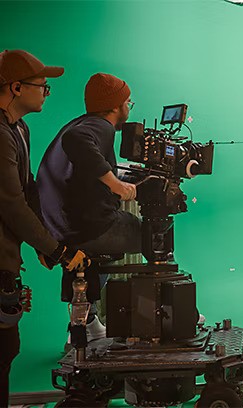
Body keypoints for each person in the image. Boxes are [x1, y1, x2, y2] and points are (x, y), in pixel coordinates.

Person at [0, 49, 87, 406]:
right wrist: (56, 250)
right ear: (17, 87)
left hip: (8, 257)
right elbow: (10, 203)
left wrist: (44, 242)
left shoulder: (19, 128)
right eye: (43, 86)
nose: (46, 92)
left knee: (7, 346)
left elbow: (28, 189)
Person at [37, 73, 141, 346]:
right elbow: (77, 141)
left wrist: (120, 175)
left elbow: (82, 170)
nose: (129, 107)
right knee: (155, 235)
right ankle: (177, 313)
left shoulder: (84, 122)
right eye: (128, 101)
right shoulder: (99, 126)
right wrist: (116, 184)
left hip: (62, 227)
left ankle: (87, 323)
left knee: (96, 256)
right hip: (86, 227)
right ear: (117, 106)